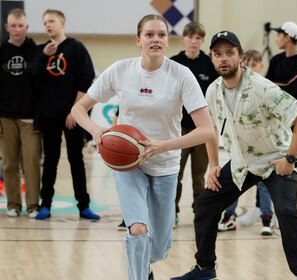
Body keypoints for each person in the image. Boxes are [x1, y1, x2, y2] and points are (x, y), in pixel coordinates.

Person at [71, 14, 215, 280]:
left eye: (161, 34)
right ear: (139, 41)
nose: (156, 39)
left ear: (167, 41)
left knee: (158, 248)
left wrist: (163, 146)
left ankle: (145, 266)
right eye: (149, 34)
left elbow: (207, 130)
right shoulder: (121, 69)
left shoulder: (181, 75)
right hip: (128, 164)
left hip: (166, 164)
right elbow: (79, 108)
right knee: (137, 230)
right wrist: (96, 131)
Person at [171, 30, 297, 280]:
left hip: (275, 160)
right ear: (212, 58)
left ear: (240, 57)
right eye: (218, 54)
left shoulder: (262, 88)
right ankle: (205, 269)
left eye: (230, 53)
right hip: (243, 163)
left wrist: (290, 159)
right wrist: (214, 165)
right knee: (206, 205)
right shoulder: (213, 90)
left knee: (286, 212)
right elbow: (212, 128)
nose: (223, 58)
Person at [31, 9, 99, 220]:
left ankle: (84, 206)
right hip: (49, 114)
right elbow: (34, 77)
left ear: (62, 23)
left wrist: (75, 111)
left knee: (76, 160)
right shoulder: (42, 50)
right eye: (45, 23)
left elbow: (86, 78)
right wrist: (44, 57)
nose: (48, 25)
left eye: (51, 21)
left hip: (72, 115)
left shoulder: (76, 48)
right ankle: (46, 205)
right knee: (50, 160)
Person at [218, 49, 275, 236]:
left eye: (254, 65)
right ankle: (229, 215)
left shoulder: (267, 89)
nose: (250, 68)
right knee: (236, 181)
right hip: (242, 149)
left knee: (263, 184)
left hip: (264, 149)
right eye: (247, 65)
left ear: (261, 67)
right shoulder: (236, 91)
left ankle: (266, 218)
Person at [170, 21, 219, 228]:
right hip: (178, 129)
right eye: (190, 37)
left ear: (202, 41)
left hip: (202, 129)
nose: (194, 41)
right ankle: (172, 213)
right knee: (175, 174)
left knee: (199, 176)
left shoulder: (209, 64)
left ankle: (200, 213)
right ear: (184, 39)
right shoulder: (173, 63)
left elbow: (218, 93)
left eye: (198, 38)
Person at [0, 8, 41, 218]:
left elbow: (42, 84)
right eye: (13, 26)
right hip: (5, 117)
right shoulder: (1, 49)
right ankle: (13, 204)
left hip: (30, 117)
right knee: (9, 163)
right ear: (7, 27)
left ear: (26, 27)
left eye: (20, 26)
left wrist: (38, 115)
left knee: (32, 163)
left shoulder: (35, 50)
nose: (17, 29)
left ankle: (33, 205)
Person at [267, 21, 297, 108]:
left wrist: (270, 86)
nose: (276, 39)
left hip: (296, 113)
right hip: (276, 111)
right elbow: (265, 84)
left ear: (287, 38)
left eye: (279, 35)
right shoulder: (275, 60)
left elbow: (290, 87)